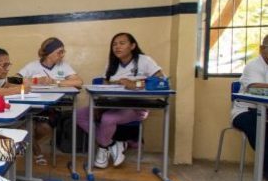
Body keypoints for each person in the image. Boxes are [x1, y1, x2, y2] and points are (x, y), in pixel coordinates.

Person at [76, 32, 164, 168]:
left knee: (108, 119)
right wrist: (100, 106)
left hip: (136, 107)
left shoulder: (144, 60)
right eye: (114, 44)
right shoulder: (112, 64)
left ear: (132, 46)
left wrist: (135, 84)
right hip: (113, 105)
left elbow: (160, 81)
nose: (117, 47)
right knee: (79, 115)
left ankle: (103, 148)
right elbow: (104, 87)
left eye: (122, 43)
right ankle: (113, 143)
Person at [16, 38, 84, 165]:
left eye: (63, 52)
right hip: (32, 106)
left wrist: (55, 82)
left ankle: (27, 147)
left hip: (53, 107)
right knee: (26, 127)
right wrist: (35, 81)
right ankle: (37, 153)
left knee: (44, 128)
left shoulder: (63, 66)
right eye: (59, 52)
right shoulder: (32, 66)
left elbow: (79, 82)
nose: (62, 55)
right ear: (48, 52)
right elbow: (13, 80)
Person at [231, 34, 268, 180]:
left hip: (265, 112)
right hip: (245, 111)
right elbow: (255, 88)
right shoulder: (253, 65)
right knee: (262, 132)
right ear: (261, 49)